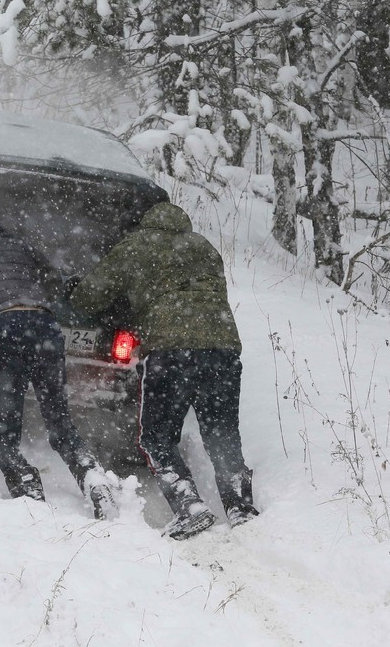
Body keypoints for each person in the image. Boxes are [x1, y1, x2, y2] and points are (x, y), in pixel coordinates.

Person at [68, 201, 259, 540]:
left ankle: (189, 506)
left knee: (157, 437)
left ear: (146, 223)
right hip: (223, 350)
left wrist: (79, 292)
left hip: (172, 352)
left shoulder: (136, 246)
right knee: (221, 433)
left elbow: (90, 297)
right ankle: (240, 508)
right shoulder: (203, 246)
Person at [0, 212, 117, 519]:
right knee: (58, 419)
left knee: (2, 427)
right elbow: (52, 280)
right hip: (44, 326)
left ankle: (24, 479)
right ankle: (93, 478)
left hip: (3, 328)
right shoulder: (21, 246)